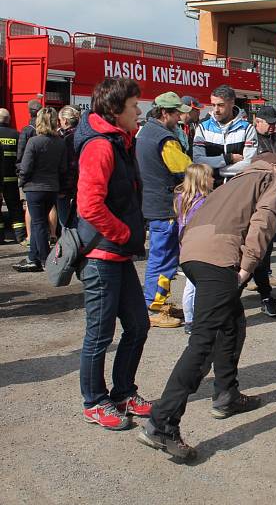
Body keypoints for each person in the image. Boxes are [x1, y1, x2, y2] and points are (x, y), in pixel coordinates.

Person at [138, 152, 276, 460]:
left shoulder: (234, 182)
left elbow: (195, 216)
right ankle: (161, 423)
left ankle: (226, 394)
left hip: (194, 253)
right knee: (203, 341)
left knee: (232, 322)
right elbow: (264, 222)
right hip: (219, 258)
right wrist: (246, 267)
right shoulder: (274, 179)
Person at [75, 77, 151, 431]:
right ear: (115, 110)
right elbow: (89, 205)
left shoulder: (120, 141)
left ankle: (123, 392)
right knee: (100, 333)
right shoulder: (101, 147)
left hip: (117, 255)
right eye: (134, 106)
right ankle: (94, 401)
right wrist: (122, 233)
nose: (139, 111)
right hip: (102, 257)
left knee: (138, 325)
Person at [136, 92, 193, 329]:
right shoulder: (165, 138)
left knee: (160, 257)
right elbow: (185, 169)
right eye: (176, 113)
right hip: (165, 206)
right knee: (165, 259)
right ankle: (156, 307)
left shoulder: (145, 132)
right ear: (164, 113)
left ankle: (159, 302)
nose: (180, 117)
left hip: (152, 203)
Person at [13, 107, 66, 272]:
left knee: (38, 223)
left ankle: (44, 258)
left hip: (35, 188)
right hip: (52, 188)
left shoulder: (34, 141)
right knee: (39, 223)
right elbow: (63, 168)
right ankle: (33, 256)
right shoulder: (60, 142)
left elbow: (26, 166)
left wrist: (22, 181)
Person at [251, 104, 276, 317]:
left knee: (264, 250)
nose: (274, 127)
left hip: (272, 201)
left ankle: (265, 295)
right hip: (250, 200)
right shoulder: (250, 141)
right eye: (271, 123)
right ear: (258, 121)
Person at [174, 163, 214, 335]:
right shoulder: (203, 202)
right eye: (211, 176)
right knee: (198, 285)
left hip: (185, 247)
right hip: (200, 248)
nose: (214, 179)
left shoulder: (181, 198)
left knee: (191, 285)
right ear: (202, 180)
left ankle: (190, 319)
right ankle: (196, 319)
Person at [192, 84, 256, 186]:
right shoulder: (203, 128)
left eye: (220, 105)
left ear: (231, 103)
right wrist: (227, 159)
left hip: (237, 188)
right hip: (209, 189)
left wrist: (217, 171)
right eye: (213, 105)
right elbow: (198, 161)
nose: (216, 110)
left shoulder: (247, 129)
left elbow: (249, 164)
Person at [16, 99, 43, 245]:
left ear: (29, 111)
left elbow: (20, 155)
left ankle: (29, 237)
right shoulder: (48, 132)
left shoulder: (27, 130)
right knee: (49, 208)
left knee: (29, 206)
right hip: (47, 178)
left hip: (30, 177)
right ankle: (50, 235)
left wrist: (20, 174)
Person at [0, 108, 26, 243]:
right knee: (15, 208)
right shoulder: (16, 134)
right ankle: (20, 236)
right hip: (11, 179)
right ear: (9, 119)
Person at [57, 106, 81, 227]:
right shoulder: (82, 134)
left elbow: (71, 166)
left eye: (60, 120)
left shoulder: (68, 139)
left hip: (68, 186)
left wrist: (63, 189)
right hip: (81, 185)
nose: (59, 123)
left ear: (65, 121)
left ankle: (69, 245)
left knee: (66, 222)